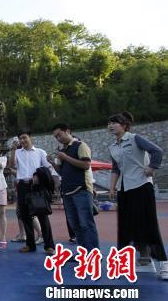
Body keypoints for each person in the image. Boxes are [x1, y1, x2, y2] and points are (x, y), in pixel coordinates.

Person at [107, 112, 167, 279]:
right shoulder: (113, 147)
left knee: (149, 224)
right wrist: (112, 188)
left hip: (141, 186)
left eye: (115, 123)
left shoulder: (135, 139)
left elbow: (157, 151)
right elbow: (115, 169)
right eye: (109, 123)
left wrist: (152, 167)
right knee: (127, 226)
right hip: (124, 190)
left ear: (125, 125)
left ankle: (164, 262)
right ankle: (141, 261)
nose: (111, 126)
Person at [48, 123, 99, 251]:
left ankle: (93, 254)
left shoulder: (81, 145)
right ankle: (83, 252)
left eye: (59, 135)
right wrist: (52, 163)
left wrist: (65, 157)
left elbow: (86, 165)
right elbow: (62, 171)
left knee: (86, 223)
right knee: (75, 225)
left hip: (81, 189)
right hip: (67, 191)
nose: (58, 138)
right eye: (56, 137)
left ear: (68, 131)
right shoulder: (62, 151)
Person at [8, 129, 55, 255]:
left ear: (30, 137)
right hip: (22, 185)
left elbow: (48, 167)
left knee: (42, 215)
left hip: (37, 186)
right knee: (25, 216)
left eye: (24, 137)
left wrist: (39, 176)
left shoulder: (40, 152)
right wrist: (12, 150)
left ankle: (49, 246)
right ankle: (30, 244)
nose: (22, 141)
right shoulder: (17, 152)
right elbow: (12, 165)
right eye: (20, 139)